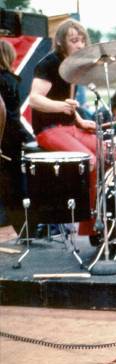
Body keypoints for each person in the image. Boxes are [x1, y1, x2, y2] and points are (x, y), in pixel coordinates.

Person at [28, 19, 98, 237]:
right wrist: (62, 107)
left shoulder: (73, 65)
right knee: (90, 160)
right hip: (49, 129)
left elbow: (68, 102)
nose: (79, 45)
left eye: (82, 40)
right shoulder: (48, 64)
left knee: (107, 152)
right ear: (61, 42)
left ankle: (92, 226)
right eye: (73, 40)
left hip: (69, 127)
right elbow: (34, 100)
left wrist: (79, 120)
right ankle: (75, 215)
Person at [0, 40, 35, 227]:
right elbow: (12, 116)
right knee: (14, 187)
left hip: (5, 138)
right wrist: (24, 137)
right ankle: (24, 228)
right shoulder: (10, 81)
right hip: (8, 140)